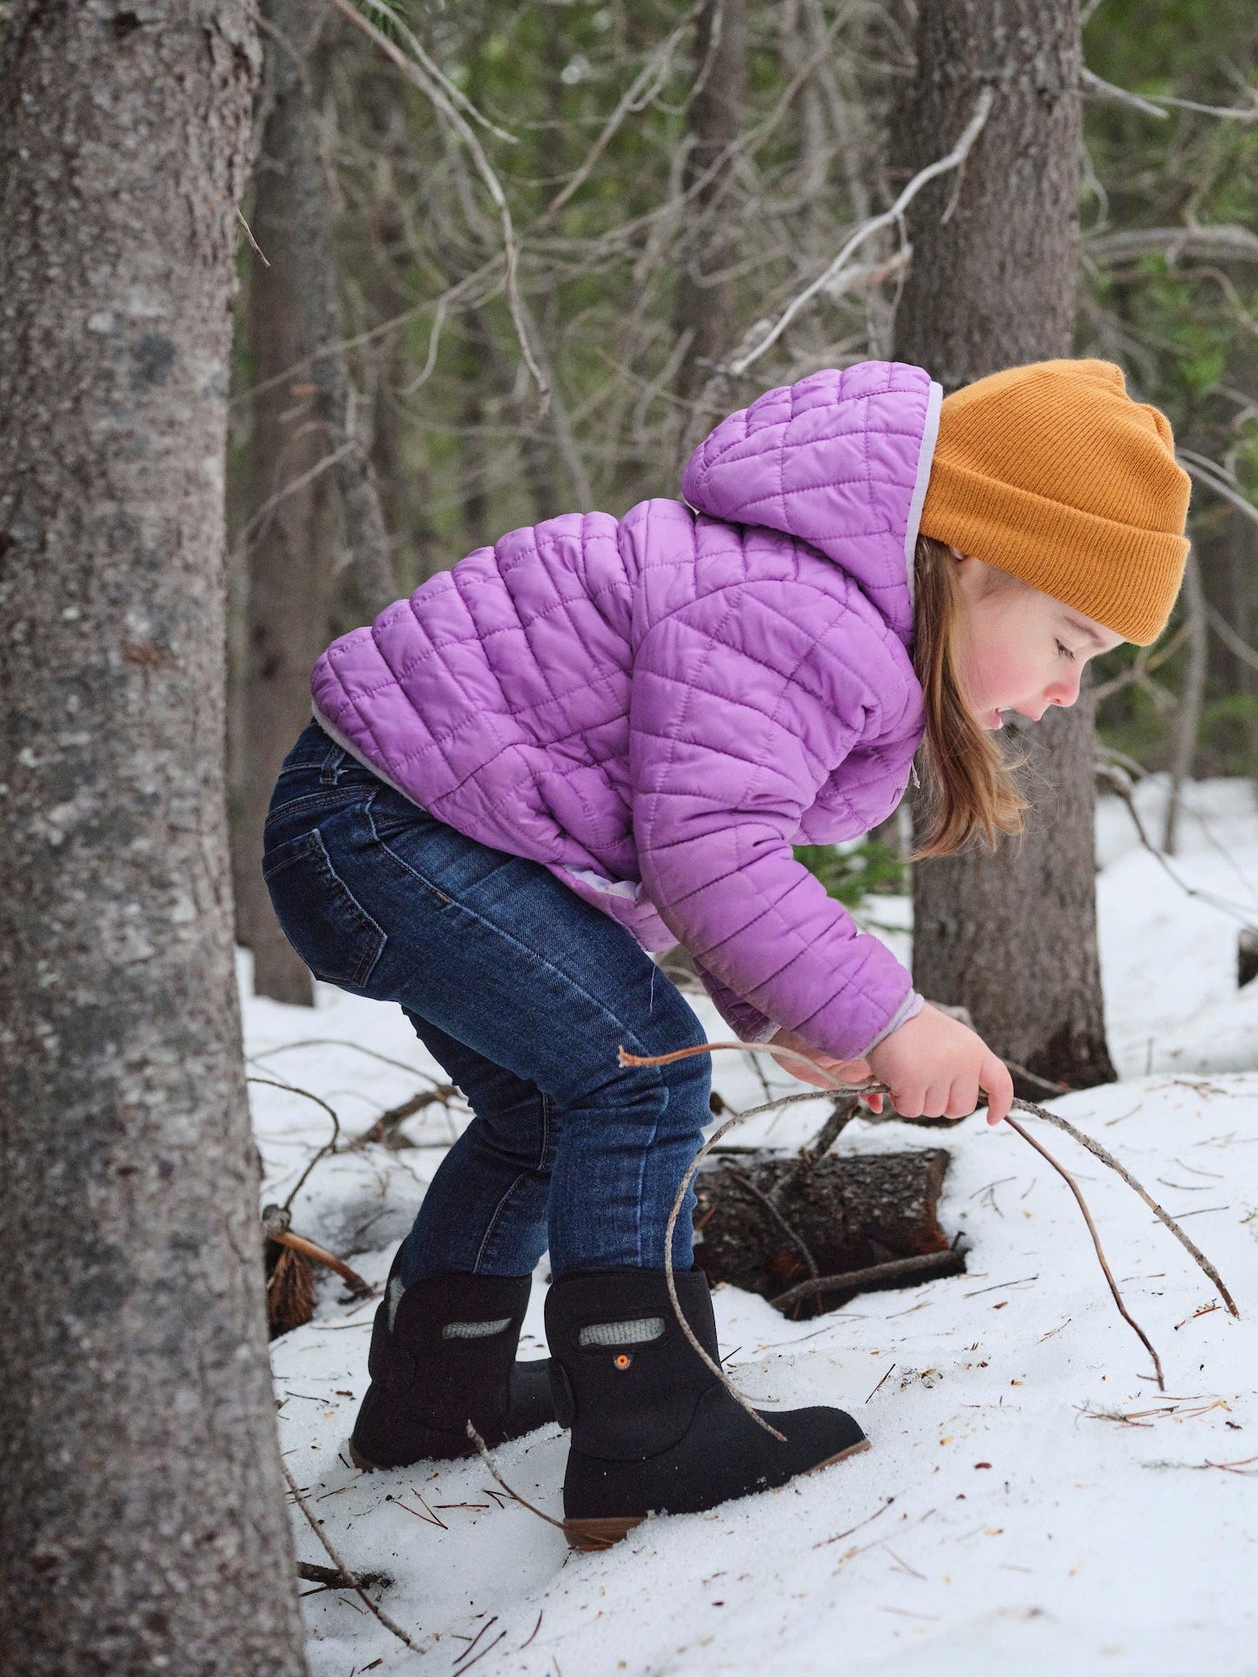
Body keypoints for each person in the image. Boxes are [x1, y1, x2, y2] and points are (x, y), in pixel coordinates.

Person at [261, 357, 1189, 1550]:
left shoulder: (812, 599)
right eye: (1070, 640)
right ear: (971, 557)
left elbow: (683, 835)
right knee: (642, 1073)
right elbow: (711, 850)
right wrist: (889, 1016)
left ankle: (443, 1396)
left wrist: (791, 1012)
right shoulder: (804, 612)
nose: (1068, 690)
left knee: (553, 1107)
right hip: (388, 826)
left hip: (382, 823)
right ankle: (648, 1428)